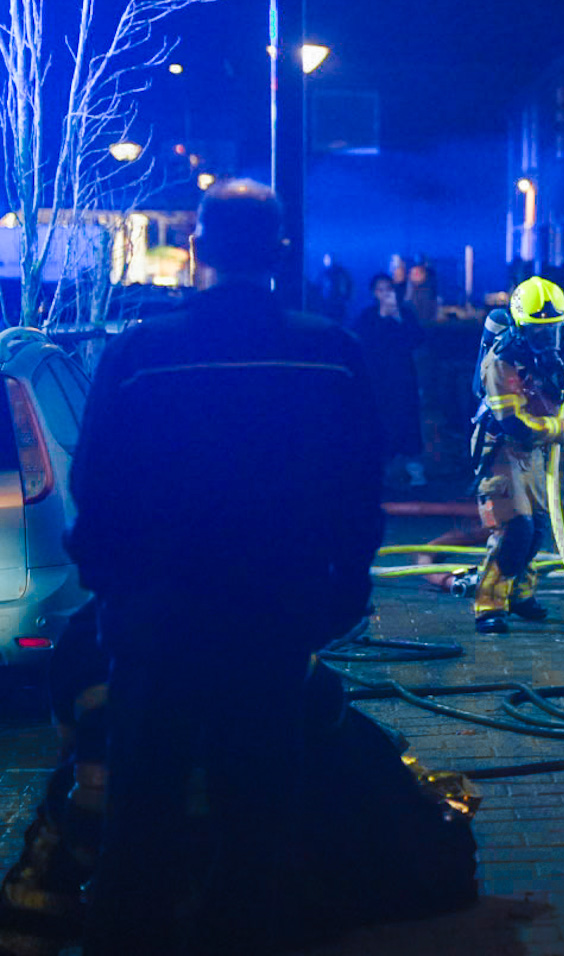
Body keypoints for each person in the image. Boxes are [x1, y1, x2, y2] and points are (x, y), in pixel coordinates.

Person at [66, 179, 386, 954]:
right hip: (273, 618)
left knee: (143, 804)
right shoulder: (329, 353)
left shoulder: (142, 353)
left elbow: (95, 486)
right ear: (278, 252)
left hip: (159, 619)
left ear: (200, 249)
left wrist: (111, 588)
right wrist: (343, 587)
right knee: (260, 808)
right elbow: (358, 488)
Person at [470, 276, 564, 634]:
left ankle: (520, 595)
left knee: (537, 527)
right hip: (502, 451)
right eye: (539, 333)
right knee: (516, 529)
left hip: (536, 452)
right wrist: (561, 428)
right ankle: (489, 604)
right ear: (522, 330)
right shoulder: (501, 362)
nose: (549, 341)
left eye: (554, 331)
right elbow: (514, 423)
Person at [354, 272, 428, 487]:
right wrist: (382, 317)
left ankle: (415, 470)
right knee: (379, 419)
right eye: (380, 290)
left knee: (407, 418)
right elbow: (362, 341)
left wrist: (397, 318)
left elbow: (417, 339)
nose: (385, 294)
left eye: (389, 289)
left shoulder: (405, 314)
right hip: (377, 378)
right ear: (373, 293)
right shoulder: (368, 316)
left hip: (402, 377)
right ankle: (381, 468)